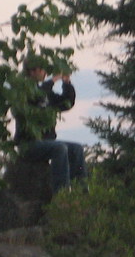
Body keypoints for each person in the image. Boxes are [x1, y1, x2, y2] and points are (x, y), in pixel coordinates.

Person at [13, 56, 87, 194]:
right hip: (28, 144)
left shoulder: (46, 93)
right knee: (60, 148)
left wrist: (66, 82)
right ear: (32, 72)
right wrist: (53, 80)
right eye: (42, 69)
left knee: (77, 149)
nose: (45, 72)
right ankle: (61, 194)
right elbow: (37, 95)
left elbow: (67, 103)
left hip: (46, 141)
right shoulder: (23, 91)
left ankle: (81, 193)